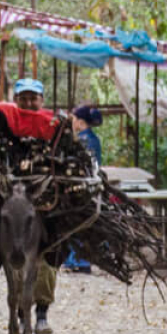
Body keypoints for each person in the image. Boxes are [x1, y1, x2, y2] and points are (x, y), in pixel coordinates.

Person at [12, 77, 57, 334]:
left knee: (47, 263)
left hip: (47, 206)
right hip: (15, 208)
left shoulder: (53, 127)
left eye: (33, 98)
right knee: (17, 263)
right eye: (24, 98)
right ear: (16, 100)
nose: (29, 102)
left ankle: (41, 315)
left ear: (42, 100)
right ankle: (20, 315)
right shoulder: (6, 126)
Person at [65, 105, 104, 274]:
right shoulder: (93, 139)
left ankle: (77, 261)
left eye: (73, 120)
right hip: (91, 186)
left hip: (80, 186)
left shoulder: (81, 140)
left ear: (80, 122)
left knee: (74, 222)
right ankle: (79, 260)